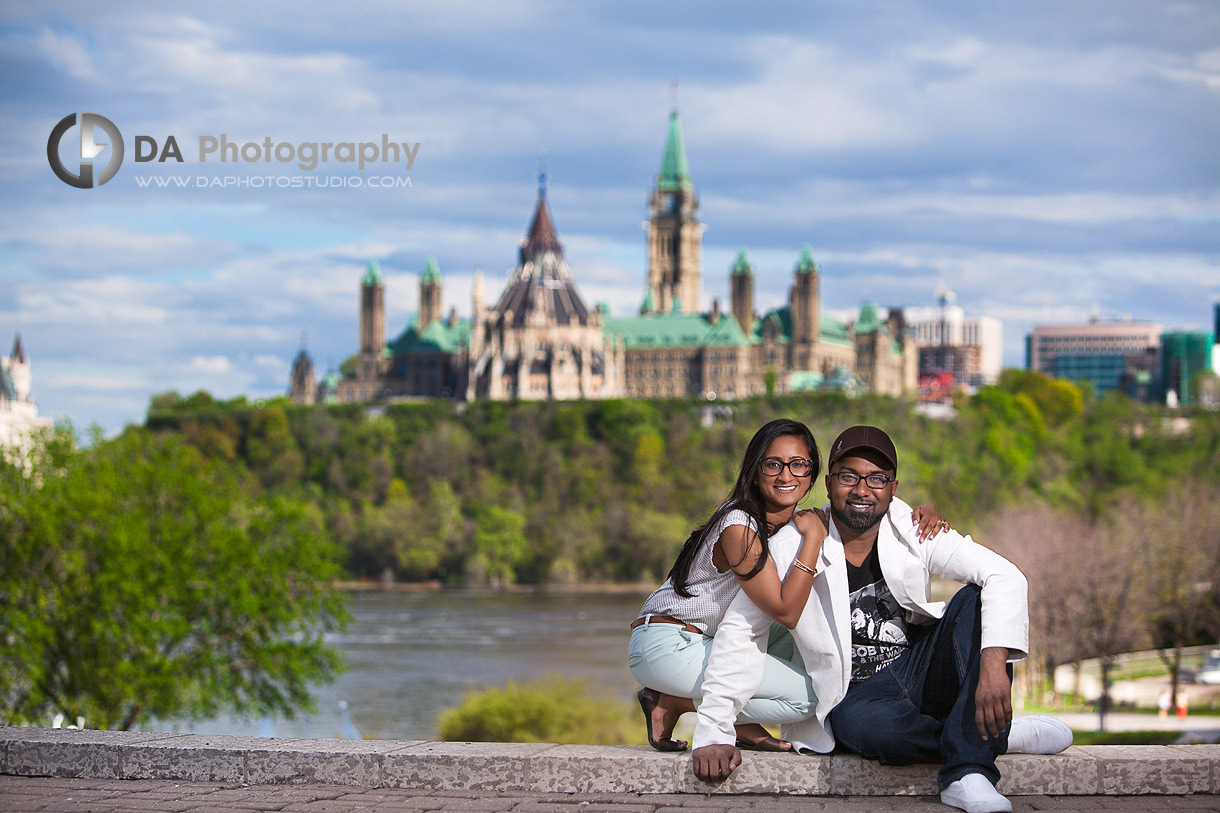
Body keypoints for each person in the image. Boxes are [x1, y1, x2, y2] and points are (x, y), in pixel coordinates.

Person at [690, 425, 1073, 813]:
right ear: (829, 483)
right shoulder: (793, 543)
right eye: (849, 476)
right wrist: (713, 731)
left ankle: (966, 773)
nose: (861, 489)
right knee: (870, 731)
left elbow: (1005, 575)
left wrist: (994, 665)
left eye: (877, 479)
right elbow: (741, 632)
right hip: (856, 698)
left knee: (975, 598)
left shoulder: (915, 530)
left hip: (919, 670)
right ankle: (985, 737)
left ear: (892, 487)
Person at [628, 419, 948, 753]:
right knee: (812, 698)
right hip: (668, 644)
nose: (786, 476)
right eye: (773, 465)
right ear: (755, 471)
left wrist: (916, 515)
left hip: (702, 639)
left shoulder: (787, 524)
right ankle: (677, 703)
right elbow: (785, 610)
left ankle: (710, 714)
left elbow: (864, 502)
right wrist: (812, 539)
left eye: (798, 465)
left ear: (813, 477)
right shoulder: (740, 525)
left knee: (811, 634)